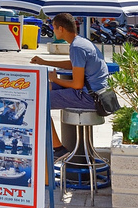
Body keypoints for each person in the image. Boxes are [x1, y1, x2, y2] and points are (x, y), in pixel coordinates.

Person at [31, 13, 108, 156]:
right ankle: (53, 144)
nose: (53, 31)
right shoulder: (81, 42)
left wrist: (55, 79)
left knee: (37, 103)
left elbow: (77, 84)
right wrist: (44, 62)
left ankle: (58, 149)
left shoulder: (77, 47)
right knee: (45, 88)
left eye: (53, 28)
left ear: (61, 28)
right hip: (96, 93)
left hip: (89, 97)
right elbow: (74, 65)